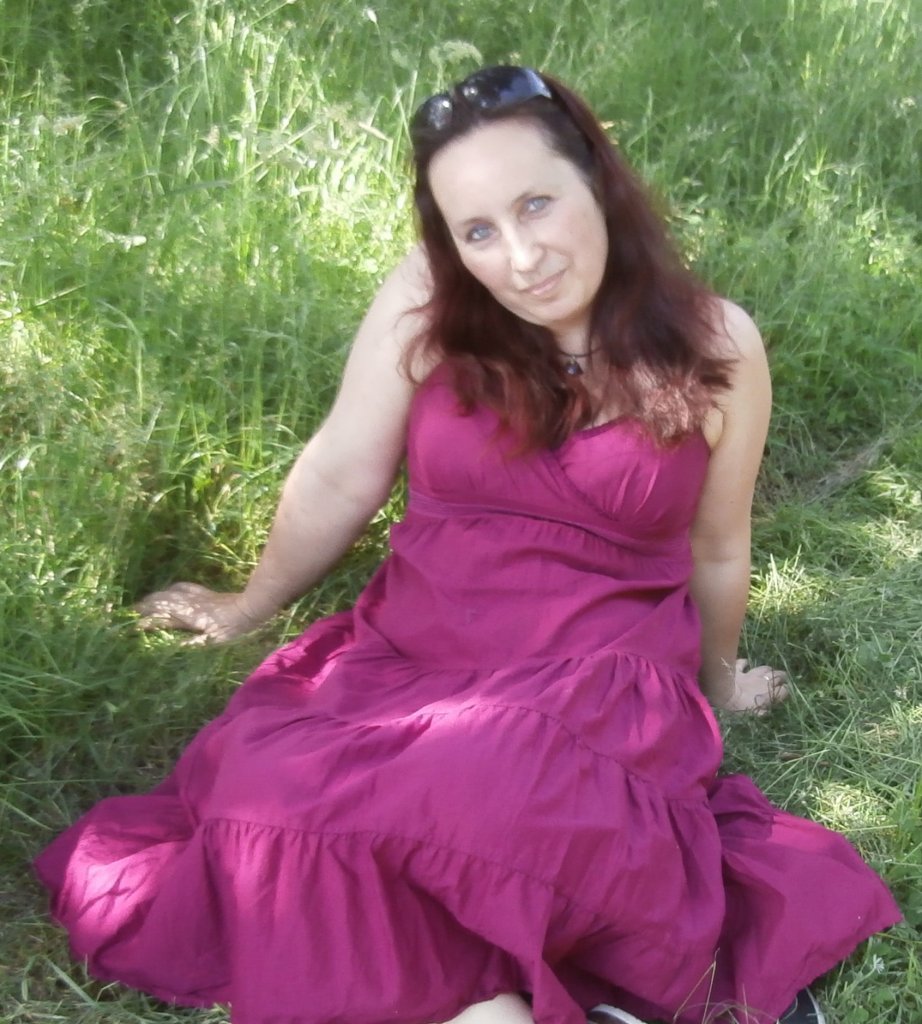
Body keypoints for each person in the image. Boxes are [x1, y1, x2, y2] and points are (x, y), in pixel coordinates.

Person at [35, 66, 899, 1024]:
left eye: (537, 205)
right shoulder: (430, 300)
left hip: (594, 672)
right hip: (414, 653)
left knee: (491, 783)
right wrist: (248, 606)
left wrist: (721, 678)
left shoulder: (714, 342)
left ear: (597, 178)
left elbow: (719, 545)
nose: (520, 258)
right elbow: (341, 472)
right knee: (270, 795)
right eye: (477, 231)